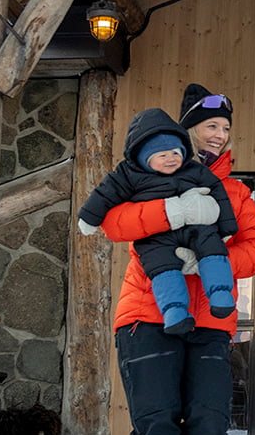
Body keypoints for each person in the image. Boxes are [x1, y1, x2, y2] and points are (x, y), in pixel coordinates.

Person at [98, 84, 255, 435]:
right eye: (210, 126)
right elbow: (115, 222)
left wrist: (206, 260)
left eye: (225, 129)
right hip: (147, 317)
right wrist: (174, 213)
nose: (218, 136)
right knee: (156, 429)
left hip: (210, 324)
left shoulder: (235, 192)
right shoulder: (140, 175)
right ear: (186, 128)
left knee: (209, 427)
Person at [76, 108, 237, 331]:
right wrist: (88, 218)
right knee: (161, 265)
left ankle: (220, 294)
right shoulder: (127, 175)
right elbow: (104, 195)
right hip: (155, 236)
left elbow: (217, 192)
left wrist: (227, 228)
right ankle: (174, 312)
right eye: (162, 155)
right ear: (145, 159)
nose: (171, 159)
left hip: (195, 228)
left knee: (212, 245)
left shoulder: (193, 169)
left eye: (176, 153)